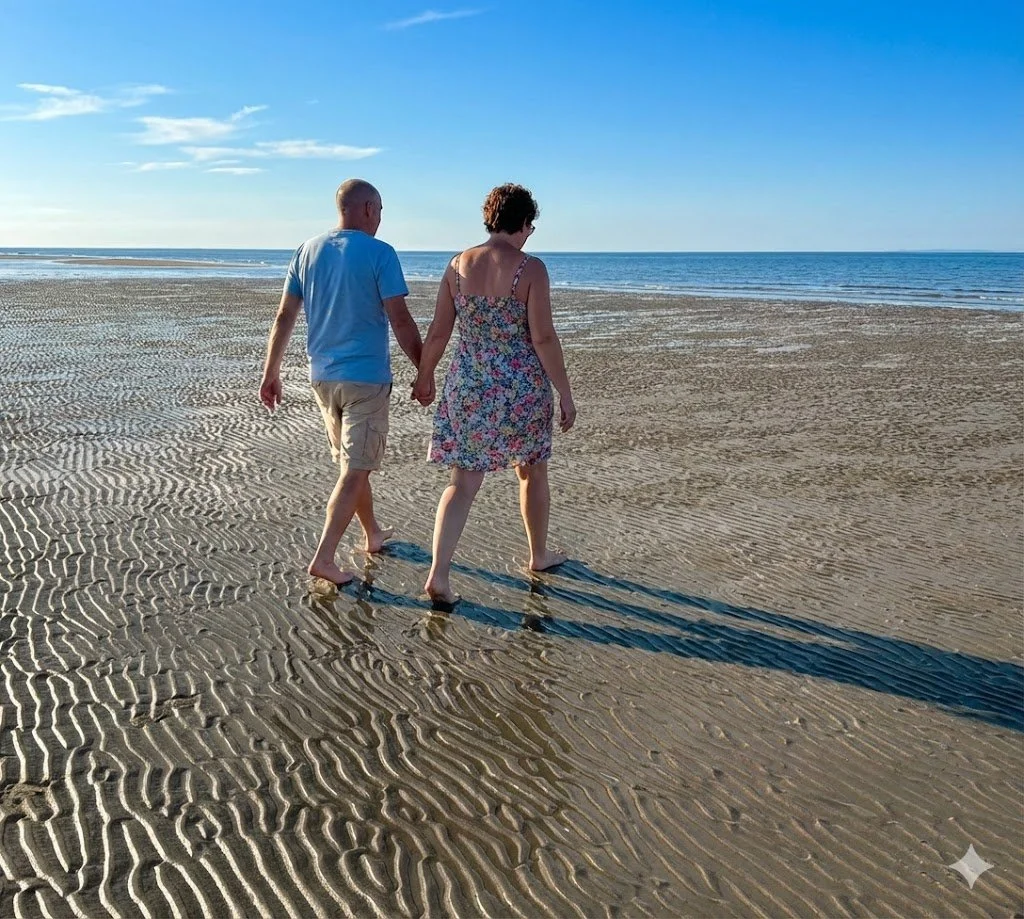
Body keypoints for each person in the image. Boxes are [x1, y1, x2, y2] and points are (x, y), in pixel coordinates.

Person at [412, 183, 577, 607]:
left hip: (468, 386)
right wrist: (565, 392)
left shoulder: (456, 265)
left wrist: (425, 376)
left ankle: (439, 575)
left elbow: (438, 331)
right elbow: (542, 337)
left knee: (463, 484)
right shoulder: (531, 269)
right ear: (522, 223)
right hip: (521, 388)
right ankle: (538, 555)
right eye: (530, 227)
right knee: (532, 469)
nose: (530, 234)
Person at [260, 179, 425, 585]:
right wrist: (425, 369)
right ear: (367, 208)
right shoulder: (380, 253)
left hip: (322, 378)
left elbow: (285, 316)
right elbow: (400, 319)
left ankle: (371, 534)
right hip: (365, 378)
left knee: (354, 465)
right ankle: (324, 558)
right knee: (354, 470)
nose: (381, 219)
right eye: (381, 211)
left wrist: (271, 372)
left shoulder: (307, 250)